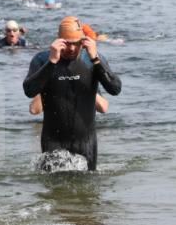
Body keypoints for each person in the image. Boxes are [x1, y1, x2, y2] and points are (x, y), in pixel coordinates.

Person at [23, 16, 121, 171]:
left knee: (88, 192)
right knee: (54, 193)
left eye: (76, 44)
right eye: (67, 44)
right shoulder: (43, 59)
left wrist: (96, 59)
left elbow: (115, 89)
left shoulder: (92, 59)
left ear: (83, 41)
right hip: (53, 141)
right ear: (58, 40)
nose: (72, 49)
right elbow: (29, 91)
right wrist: (52, 61)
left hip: (86, 143)